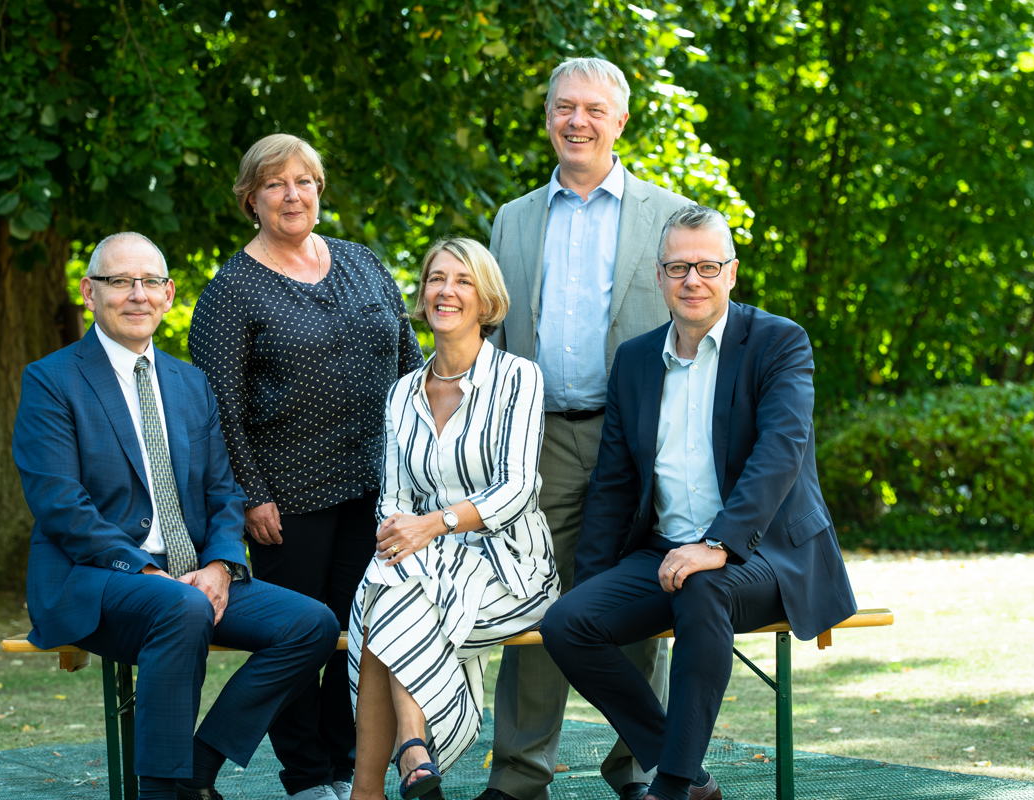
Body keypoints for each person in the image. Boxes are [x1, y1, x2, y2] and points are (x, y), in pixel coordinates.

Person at [540, 205, 859, 800]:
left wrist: (717, 545)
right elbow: (613, 482)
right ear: (659, 278)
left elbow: (780, 453)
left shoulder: (778, 342)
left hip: (765, 552)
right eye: (679, 267)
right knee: (569, 622)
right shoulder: (636, 360)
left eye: (708, 266)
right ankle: (688, 771)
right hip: (664, 551)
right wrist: (592, 584)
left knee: (704, 584)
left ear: (732, 273)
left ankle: (674, 785)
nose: (694, 280)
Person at [13, 231, 340, 800]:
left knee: (311, 624)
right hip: (92, 578)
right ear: (90, 293)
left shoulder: (190, 383)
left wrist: (219, 564)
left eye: (149, 282)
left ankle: (195, 766)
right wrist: (141, 570)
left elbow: (223, 491)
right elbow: (59, 504)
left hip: (191, 577)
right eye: (119, 282)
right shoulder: (52, 380)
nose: (136, 295)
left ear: (167, 295)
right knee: (180, 605)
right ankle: (162, 790)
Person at [188, 134, 423, 800]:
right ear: (250, 200)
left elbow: (409, 364)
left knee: (360, 637)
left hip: (377, 492)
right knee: (302, 640)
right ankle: (306, 776)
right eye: (275, 184)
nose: (293, 195)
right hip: (287, 500)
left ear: (320, 189)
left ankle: (349, 760)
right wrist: (251, 495)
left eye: (305, 181)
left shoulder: (362, 262)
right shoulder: (232, 290)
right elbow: (218, 409)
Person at [482, 57, 691, 800]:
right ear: (547, 118)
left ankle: (640, 768)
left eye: (594, 109)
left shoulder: (670, 214)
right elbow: (493, 340)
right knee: (535, 600)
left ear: (621, 120)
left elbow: (697, 327)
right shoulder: (511, 220)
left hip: (638, 442)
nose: (578, 121)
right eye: (565, 107)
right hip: (537, 439)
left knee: (634, 602)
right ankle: (517, 776)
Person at [346, 238, 559, 800]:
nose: (447, 290)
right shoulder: (401, 394)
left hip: (510, 567)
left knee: (382, 598)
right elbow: (392, 499)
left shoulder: (520, 379)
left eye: (463, 280)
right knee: (389, 578)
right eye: (436, 279)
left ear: (486, 299)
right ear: (423, 294)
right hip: (422, 562)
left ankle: (384, 775)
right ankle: (414, 762)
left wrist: (431, 526)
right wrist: (404, 531)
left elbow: (516, 491)